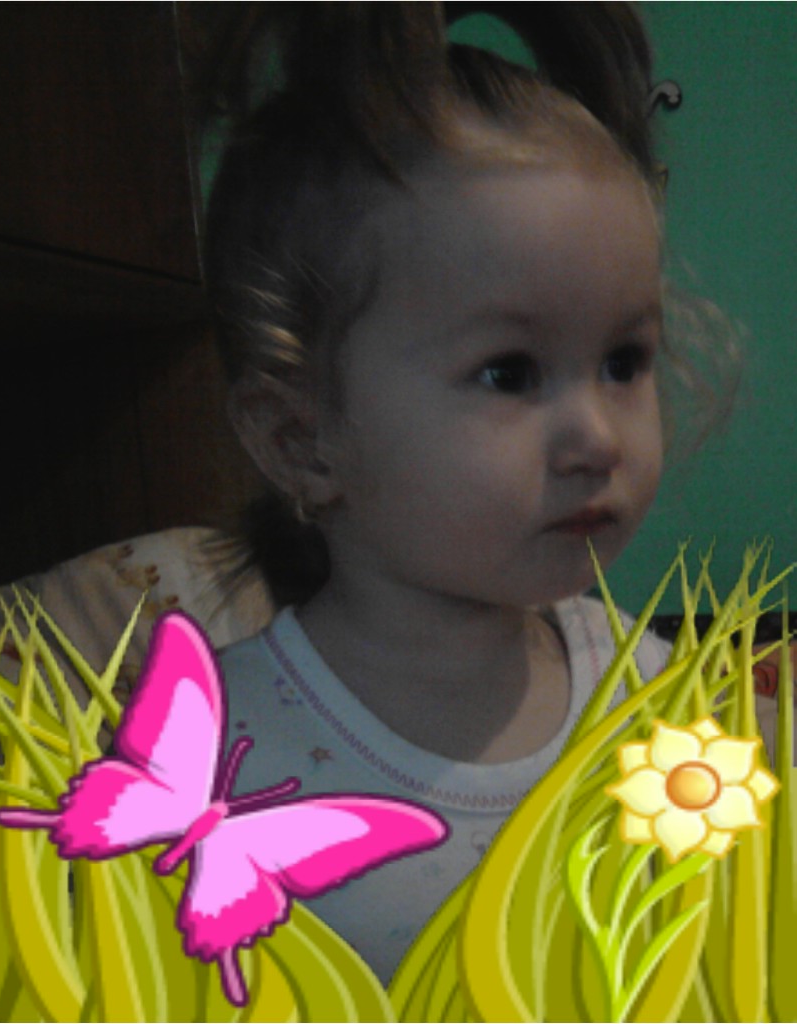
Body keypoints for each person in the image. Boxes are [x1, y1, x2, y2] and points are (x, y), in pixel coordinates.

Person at [191, 3, 674, 982]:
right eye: (509, 373)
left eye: (623, 360)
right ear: (302, 440)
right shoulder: (213, 756)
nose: (597, 436)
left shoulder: (655, 695)